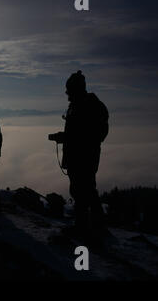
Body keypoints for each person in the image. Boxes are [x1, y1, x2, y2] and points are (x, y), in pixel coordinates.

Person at [49, 70, 109, 238]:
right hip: (78, 156)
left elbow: (91, 134)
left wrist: (70, 138)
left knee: (85, 190)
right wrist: (63, 137)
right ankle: (90, 225)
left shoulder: (89, 105)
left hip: (85, 157)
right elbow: (78, 132)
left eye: (69, 89)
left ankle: (89, 226)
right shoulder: (78, 105)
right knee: (82, 190)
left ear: (76, 88)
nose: (67, 93)